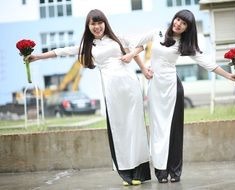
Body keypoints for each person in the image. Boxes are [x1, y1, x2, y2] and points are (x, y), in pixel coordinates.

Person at [26, 9, 151, 186]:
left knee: (135, 127)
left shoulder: (118, 39)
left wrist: (140, 64)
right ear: (88, 26)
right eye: (93, 23)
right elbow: (62, 51)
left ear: (105, 23)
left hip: (130, 86)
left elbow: (141, 45)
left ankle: (139, 171)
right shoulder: (88, 46)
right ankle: (126, 172)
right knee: (119, 128)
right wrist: (38, 56)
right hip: (111, 89)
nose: (97, 26)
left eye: (100, 23)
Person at [121, 9, 235, 183]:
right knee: (158, 129)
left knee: (174, 131)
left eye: (183, 24)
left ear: (186, 29)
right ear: (174, 19)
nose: (178, 24)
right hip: (155, 88)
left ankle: (175, 172)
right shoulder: (156, 33)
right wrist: (133, 57)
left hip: (173, 89)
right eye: (178, 20)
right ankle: (161, 172)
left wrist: (228, 75)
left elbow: (206, 63)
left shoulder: (184, 44)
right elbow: (138, 45)